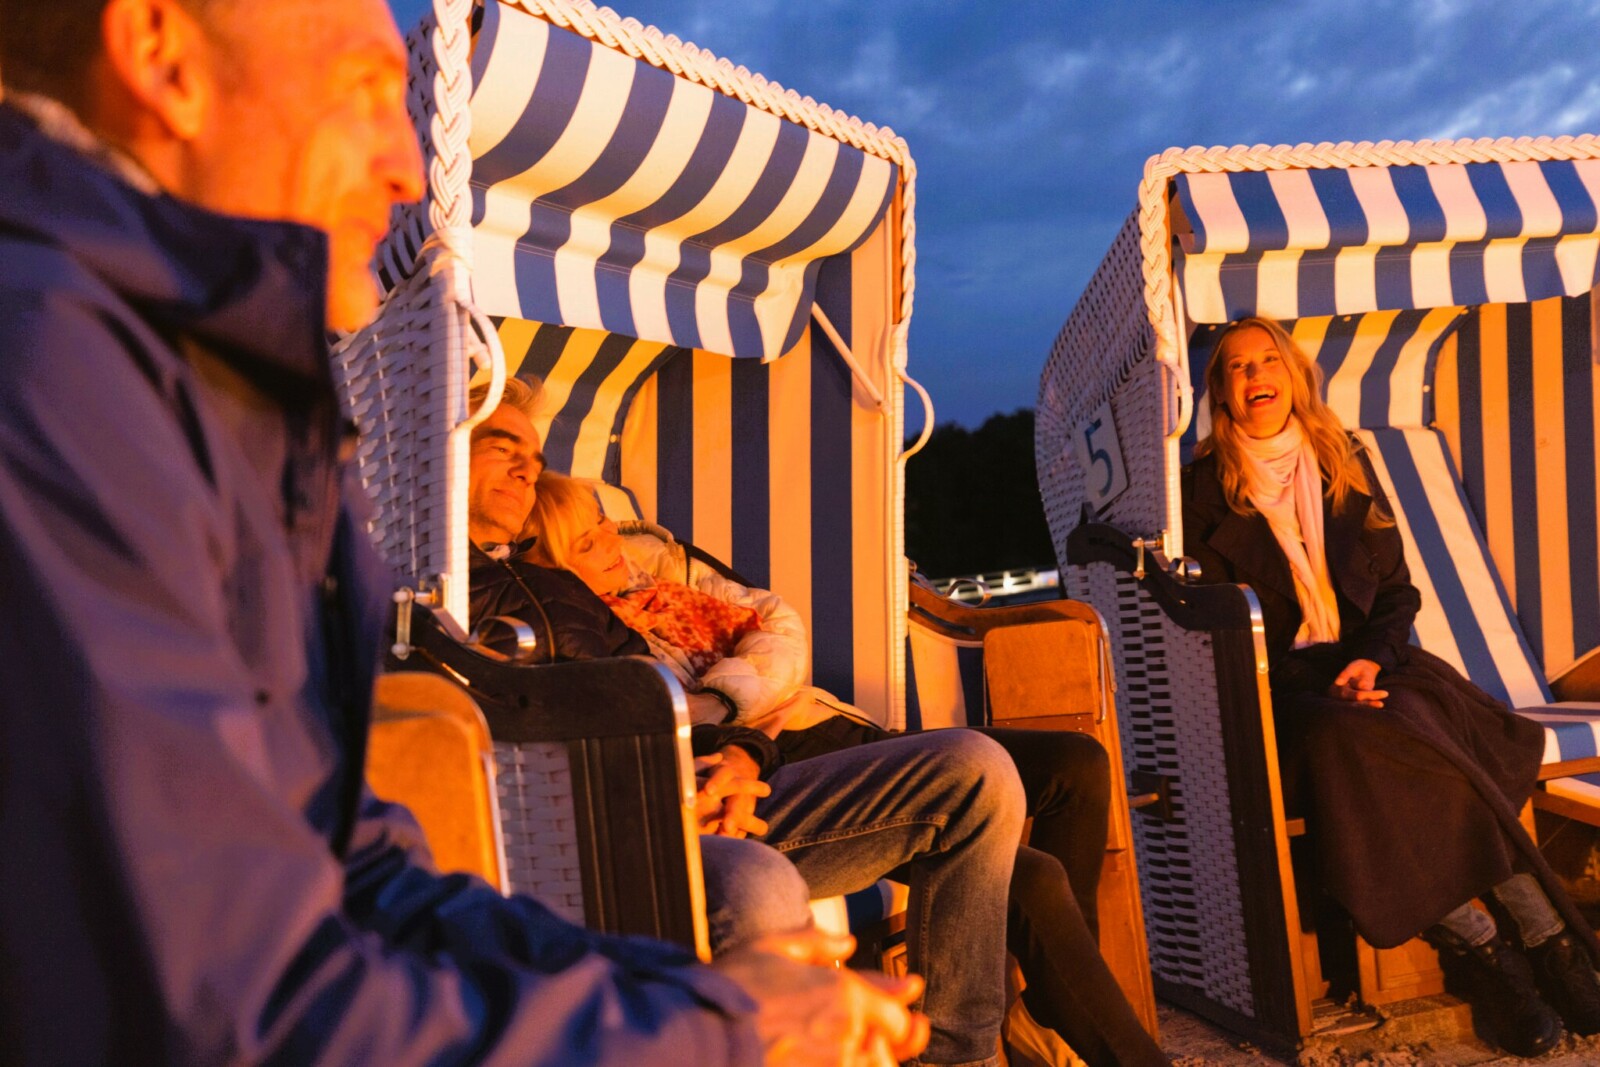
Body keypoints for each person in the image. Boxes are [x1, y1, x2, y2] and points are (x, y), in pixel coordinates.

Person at [0, 0, 930, 1063]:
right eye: (361, 91)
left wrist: (693, 995)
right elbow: (232, 1013)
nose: (407, 169)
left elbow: (361, 872)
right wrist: (716, 1034)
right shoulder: (49, 384)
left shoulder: (232, 405)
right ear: (161, 54)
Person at [465, 380, 1030, 1067]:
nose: (529, 465)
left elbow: (656, 693)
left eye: (533, 450)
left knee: (976, 768)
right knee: (757, 884)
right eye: (503, 448)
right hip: (618, 831)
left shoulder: (561, 591)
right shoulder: (430, 599)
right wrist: (659, 791)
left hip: (707, 786)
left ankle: (956, 1058)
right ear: (442, 455)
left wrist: (740, 755)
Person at [527, 468, 1171, 1067]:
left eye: (604, 522)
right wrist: (745, 696)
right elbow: (693, 714)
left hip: (837, 727)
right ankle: (1067, 1036)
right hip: (792, 763)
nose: (612, 541)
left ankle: (1050, 1003)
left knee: (1075, 763)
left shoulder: (662, 577)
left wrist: (740, 685)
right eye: (587, 543)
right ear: (554, 569)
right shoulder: (595, 631)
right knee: (1029, 874)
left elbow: (777, 625)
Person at [1181, 316, 1600, 1058]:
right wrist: (1326, 680)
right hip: (1283, 685)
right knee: (1353, 744)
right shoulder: (1202, 493)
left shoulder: (1343, 459)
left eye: (1267, 359)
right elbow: (1213, 628)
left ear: (1294, 373)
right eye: (1237, 368)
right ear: (1221, 392)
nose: (1255, 376)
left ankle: (1545, 942)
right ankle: (1495, 954)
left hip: (1379, 660)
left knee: (1423, 726)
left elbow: (1398, 591)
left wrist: (1370, 659)